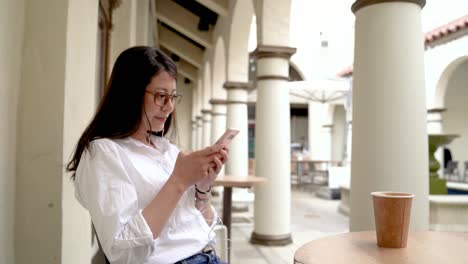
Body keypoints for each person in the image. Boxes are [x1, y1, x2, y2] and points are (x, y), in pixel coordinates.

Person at [66, 46, 228, 264]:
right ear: (130, 94)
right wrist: (179, 180)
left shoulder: (168, 150)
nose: (169, 107)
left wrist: (202, 188)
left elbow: (201, 228)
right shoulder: (104, 152)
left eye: (172, 97)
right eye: (161, 96)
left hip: (208, 256)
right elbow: (123, 252)